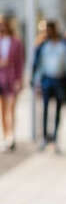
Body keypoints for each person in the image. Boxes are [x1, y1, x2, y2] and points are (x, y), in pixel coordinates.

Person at [32, 20, 66, 153]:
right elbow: (39, 65)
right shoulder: (43, 46)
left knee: (59, 109)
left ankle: (55, 138)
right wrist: (36, 81)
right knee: (45, 109)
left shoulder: (63, 46)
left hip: (60, 81)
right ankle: (45, 138)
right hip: (47, 80)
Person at [0, 15, 25, 152]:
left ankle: (12, 135)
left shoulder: (16, 42)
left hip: (12, 78)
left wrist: (19, 79)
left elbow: (20, 62)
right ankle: (5, 135)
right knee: (2, 110)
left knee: (12, 108)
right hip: (0, 78)